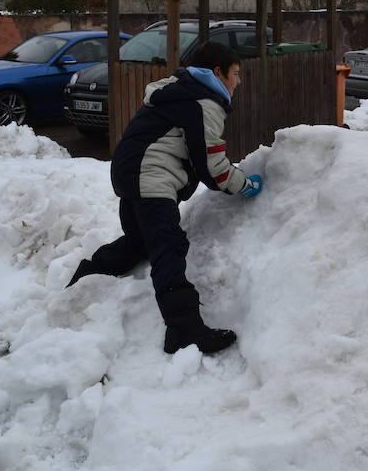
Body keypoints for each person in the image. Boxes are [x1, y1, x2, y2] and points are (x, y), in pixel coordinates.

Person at [67, 41, 262, 354]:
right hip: (151, 176)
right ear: (218, 72)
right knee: (168, 247)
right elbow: (212, 168)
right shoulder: (203, 102)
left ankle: (90, 275)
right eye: (236, 73)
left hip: (130, 171)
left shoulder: (177, 91)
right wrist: (246, 185)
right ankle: (184, 329)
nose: (238, 81)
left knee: (142, 240)